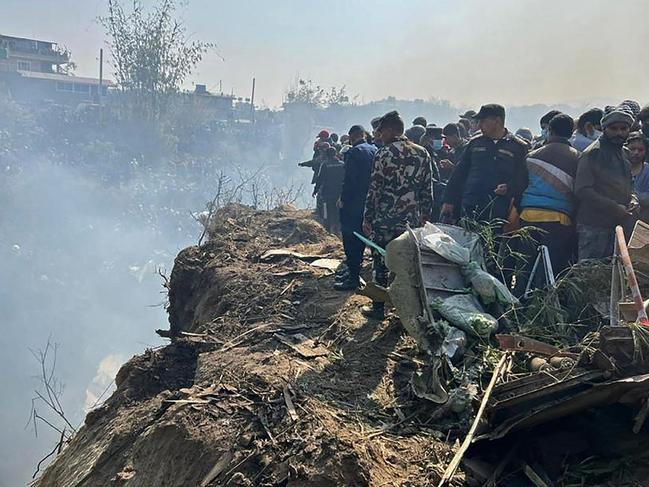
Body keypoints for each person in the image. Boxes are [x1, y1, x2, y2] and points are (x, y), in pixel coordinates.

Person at [362, 111, 433, 319]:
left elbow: (374, 189)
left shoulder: (384, 154)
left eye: (382, 131)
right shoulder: (422, 154)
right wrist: (426, 214)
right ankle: (411, 312)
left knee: (380, 263)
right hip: (410, 222)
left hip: (384, 220)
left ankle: (378, 308)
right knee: (409, 265)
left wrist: (368, 217)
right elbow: (427, 188)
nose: (379, 135)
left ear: (392, 130)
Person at [516, 114, 580, 292]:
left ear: (550, 131)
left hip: (528, 216)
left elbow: (519, 186)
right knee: (552, 269)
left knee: (524, 267)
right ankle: (546, 306)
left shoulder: (532, 156)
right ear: (571, 132)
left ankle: (517, 305)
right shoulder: (578, 159)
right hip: (560, 220)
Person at [441, 104, 529, 229]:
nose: (479, 125)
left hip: (499, 210)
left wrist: (509, 187)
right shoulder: (475, 143)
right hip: (471, 205)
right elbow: (458, 174)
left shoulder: (517, 147)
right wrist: (448, 201)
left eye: (483, 121)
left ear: (497, 121)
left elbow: (523, 178)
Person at [575, 106, 636, 260]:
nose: (619, 133)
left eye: (623, 128)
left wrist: (633, 200)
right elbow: (583, 190)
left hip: (618, 227)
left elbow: (629, 184)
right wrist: (615, 208)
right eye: (614, 128)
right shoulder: (593, 153)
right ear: (604, 129)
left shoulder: (624, 154)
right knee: (591, 275)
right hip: (594, 226)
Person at [334, 125, 378, 291]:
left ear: (352, 136)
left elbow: (349, 180)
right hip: (369, 203)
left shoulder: (354, 152)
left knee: (350, 238)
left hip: (353, 203)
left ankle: (353, 277)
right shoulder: (374, 149)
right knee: (361, 238)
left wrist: (343, 199)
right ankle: (353, 272)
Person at [313, 147, 345, 233]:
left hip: (327, 193)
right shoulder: (342, 164)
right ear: (335, 154)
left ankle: (327, 230)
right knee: (338, 211)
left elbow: (320, 179)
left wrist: (315, 190)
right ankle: (337, 229)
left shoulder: (325, 164)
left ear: (327, 155)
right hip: (339, 192)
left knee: (326, 212)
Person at [627, 131, 649, 224]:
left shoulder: (647, 171)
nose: (636, 153)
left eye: (640, 150)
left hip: (641, 221)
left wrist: (635, 197)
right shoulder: (615, 168)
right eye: (632, 149)